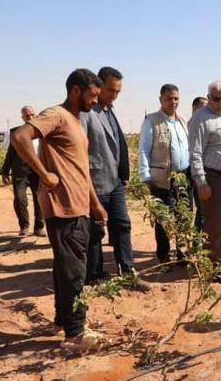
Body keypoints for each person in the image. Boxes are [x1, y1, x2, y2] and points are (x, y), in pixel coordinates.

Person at [11, 68, 107, 350]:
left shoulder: (77, 121)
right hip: (62, 206)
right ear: (76, 90)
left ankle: (63, 320)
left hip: (79, 205)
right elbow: (20, 138)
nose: (94, 101)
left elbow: (81, 170)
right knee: (74, 270)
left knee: (66, 267)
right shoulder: (56, 114)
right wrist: (44, 174)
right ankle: (76, 333)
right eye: (91, 95)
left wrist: (95, 204)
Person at [79, 67, 149, 290]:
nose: (114, 95)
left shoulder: (110, 110)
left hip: (115, 181)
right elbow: (80, 149)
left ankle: (127, 272)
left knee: (122, 224)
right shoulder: (88, 112)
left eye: (118, 91)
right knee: (96, 231)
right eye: (111, 90)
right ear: (99, 86)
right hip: (96, 181)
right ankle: (95, 275)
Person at [188, 80, 221, 268]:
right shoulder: (200, 119)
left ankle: (216, 261)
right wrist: (201, 183)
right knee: (213, 225)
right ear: (209, 97)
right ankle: (211, 267)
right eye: (216, 99)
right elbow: (194, 153)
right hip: (212, 177)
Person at [138, 84, 190, 264]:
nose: (173, 102)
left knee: (184, 215)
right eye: (169, 98)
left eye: (176, 98)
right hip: (161, 180)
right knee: (163, 219)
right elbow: (143, 150)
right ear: (161, 99)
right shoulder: (151, 121)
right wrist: (145, 176)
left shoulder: (182, 120)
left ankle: (183, 254)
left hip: (183, 178)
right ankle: (164, 256)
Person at [1, 106, 46, 237]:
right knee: (20, 200)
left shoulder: (43, 131)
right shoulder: (16, 132)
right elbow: (10, 153)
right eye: (27, 116)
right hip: (20, 171)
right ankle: (24, 226)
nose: (30, 117)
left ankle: (39, 227)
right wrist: (5, 171)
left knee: (39, 200)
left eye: (32, 114)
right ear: (23, 118)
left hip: (38, 171)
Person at [189, 96, 208, 231]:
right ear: (195, 108)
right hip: (192, 172)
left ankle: (197, 241)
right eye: (204, 107)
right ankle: (197, 243)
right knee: (201, 209)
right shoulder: (191, 125)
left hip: (199, 171)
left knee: (201, 209)